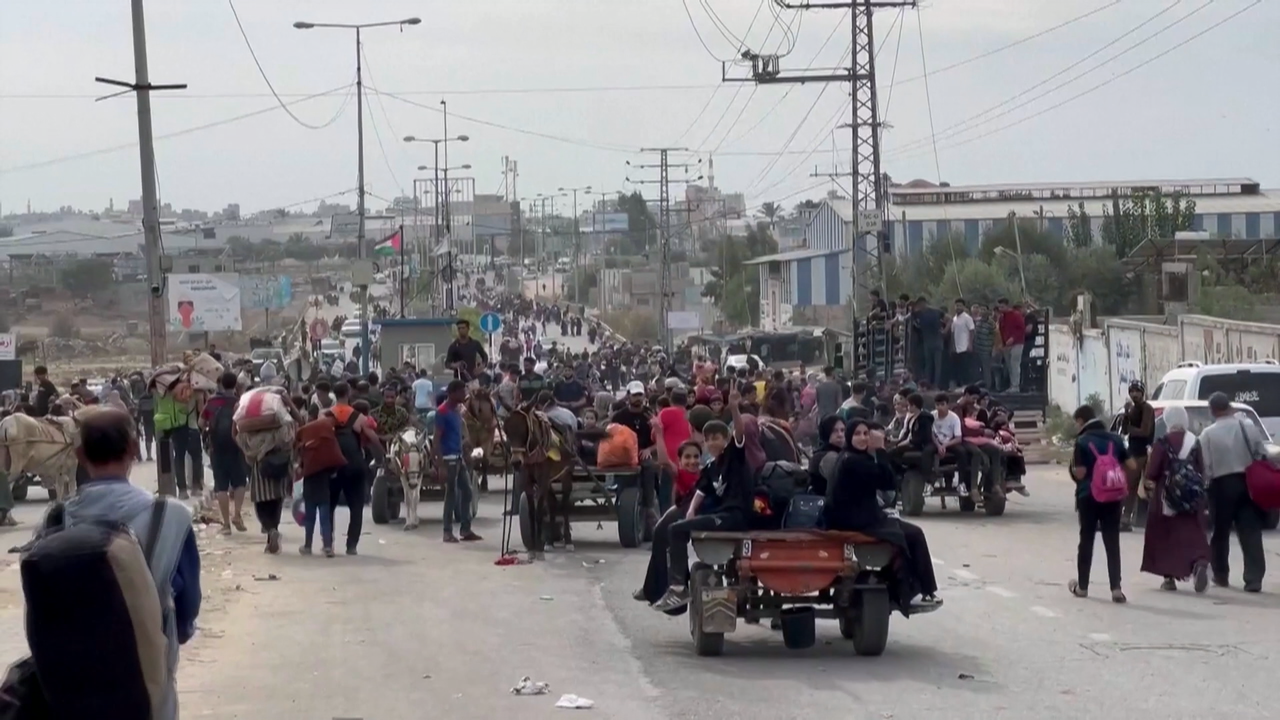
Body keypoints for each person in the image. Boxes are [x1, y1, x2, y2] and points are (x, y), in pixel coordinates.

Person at [50, 408, 201, 720]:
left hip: (70, 680)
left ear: (79, 454)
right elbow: (187, 607)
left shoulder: (57, 518)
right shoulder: (171, 516)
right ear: (134, 449)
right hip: (149, 679)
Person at [825, 419, 940, 611]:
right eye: (858, 434)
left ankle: (921, 590)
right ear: (849, 437)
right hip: (855, 520)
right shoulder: (853, 461)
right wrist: (880, 450)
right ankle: (915, 592)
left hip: (858, 516)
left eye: (865, 434)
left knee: (906, 532)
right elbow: (888, 481)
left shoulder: (851, 456)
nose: (863, 438)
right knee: (912, 535)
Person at [651, 409, 756, 612]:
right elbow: (701, 490)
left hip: (735, 516)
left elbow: (740, 433)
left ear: (726, 440)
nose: (713, 443)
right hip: (719, 516)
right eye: (708, 439)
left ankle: (679, 588)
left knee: (676, 530)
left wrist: (733, 408)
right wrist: (691, 512)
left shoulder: (734, 458)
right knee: (676, 527)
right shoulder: (710, 467)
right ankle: (676, 586)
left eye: (717, 438)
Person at [1199, 391, 1267, 592]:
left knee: (1220, 532)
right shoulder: (1247, 427)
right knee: (1250, 531)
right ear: (1229, 406)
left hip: (1221, 486)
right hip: (1248, 482)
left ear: (1212, 410)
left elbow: (1207, 467)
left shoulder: (1207, 434)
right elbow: (1260, 451)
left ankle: (1221, 574)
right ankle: (1253, 578)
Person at [1140, 405, 1211, 592]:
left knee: (1165, 536)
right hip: (1192, 497)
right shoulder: (1194, 441)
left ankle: (1169, 579)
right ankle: (1199, 562)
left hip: (1167, 497)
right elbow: (1201, 469)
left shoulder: (1162, 443)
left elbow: (1152, 472)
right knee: (1193, 532)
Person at [1069, 404, 1133, 602]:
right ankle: (1116, 588)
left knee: (1087, 540)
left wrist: (1073, 470)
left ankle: (1082, 587)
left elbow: (1079, 473)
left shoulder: (1082, 441)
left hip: (1088, 496)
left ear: (1081, 421)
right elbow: (1131, 465)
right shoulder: (1116, 439)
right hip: (1113, 497)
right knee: (1112, 541)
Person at [326, 381, 383, 555]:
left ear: (333, 394)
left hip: (332, 466)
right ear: (348, 393)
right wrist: (381, 458)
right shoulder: (358, 417)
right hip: (354, 465)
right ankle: (351, 546)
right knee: (356, 507)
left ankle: (328, 543)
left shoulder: (325, 415)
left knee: (329, 506)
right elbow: (373, 438)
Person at [200, 371, 247, 536]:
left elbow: (201, 422)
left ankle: (226, 525)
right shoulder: (240, 401)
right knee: (240, 482)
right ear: (235, 384)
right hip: (237, 446)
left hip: (217, 447)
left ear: (220, 384)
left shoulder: (213, 402)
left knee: (221, 485)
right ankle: (237, 514)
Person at [435, 380, 481, 544]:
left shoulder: (456, 411)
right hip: (449, 459)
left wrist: (465, 450)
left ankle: (465, 529)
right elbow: (437, 440)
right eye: (462, 392)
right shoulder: (442, 412)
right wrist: (440, 466)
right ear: (452, 393)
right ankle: (447, 531)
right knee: (451, 495)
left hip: (459, 457)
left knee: (467, 492)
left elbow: (459, 434)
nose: (464, 395)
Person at [1120, 380, 1155, 531]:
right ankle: (1126, 518)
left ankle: (1129, 517)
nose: (1134, 394)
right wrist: (1126, 415)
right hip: (1133, 450)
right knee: (1130, 486)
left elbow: (1145, 431)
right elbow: (1124, 431)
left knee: (1138, 487)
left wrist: (1130, 428)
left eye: (1137, 391)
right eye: (1132, 391)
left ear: (1142, 393)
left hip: (1142, 452)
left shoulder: (1147, 408)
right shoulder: (1132, 409)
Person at [996, 297, 1026, 392]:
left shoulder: (1016, 315)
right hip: (1006, 344)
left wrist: (1013, 338)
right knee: (1009, 365)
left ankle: (1015, 385)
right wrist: (1003, 343)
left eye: (1002, 307)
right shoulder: (1001, 318)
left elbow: (1021, 329)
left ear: (1007, 306)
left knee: (1015, 364)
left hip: (1017, 343)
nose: (1000, 309)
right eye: (999, 307)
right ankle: (1012, 385)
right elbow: (1001, 331)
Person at [950, 298, 975, 388]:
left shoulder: (967, 318)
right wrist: (952, 346)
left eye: (960, 306)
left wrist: (970, 344)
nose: (958, 307)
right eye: (957, 305)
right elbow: (952, 333)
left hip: (965, 347)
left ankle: (966, 386)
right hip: (956, 348)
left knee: (965, 369)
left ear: (964, 307)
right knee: (957, 369)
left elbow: (972, 331)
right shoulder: (954, 319)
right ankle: (958, 386)